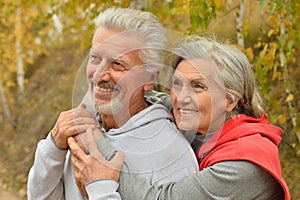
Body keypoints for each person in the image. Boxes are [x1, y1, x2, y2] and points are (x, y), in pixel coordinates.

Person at [68, 35, 291, 199]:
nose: (182, 98)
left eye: (198, 86)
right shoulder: (203, 126)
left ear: (230, 100)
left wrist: (94, 139)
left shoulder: (243, 165)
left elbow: (160, 198)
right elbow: (158, 99)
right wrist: (110, 87)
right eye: (177, 83)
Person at [27, 7, 199, 200]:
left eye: (117, 64)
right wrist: (53, 147)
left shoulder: (171, 154)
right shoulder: (83, 125)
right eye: (95, 58)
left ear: (149, 78)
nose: (99, 75)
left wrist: (99, 188)